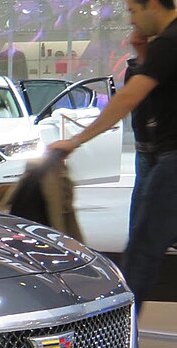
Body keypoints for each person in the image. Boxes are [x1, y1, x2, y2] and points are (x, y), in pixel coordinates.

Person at [50, 0, 177, 308]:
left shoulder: (170, 42)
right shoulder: (165, 46)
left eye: (133, 11)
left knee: (142, 253)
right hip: (165, 155)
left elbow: (128, 99)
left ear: (152, 6)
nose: (131, 19)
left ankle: (118, 331)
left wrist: (76, 140)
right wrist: (143, 54)